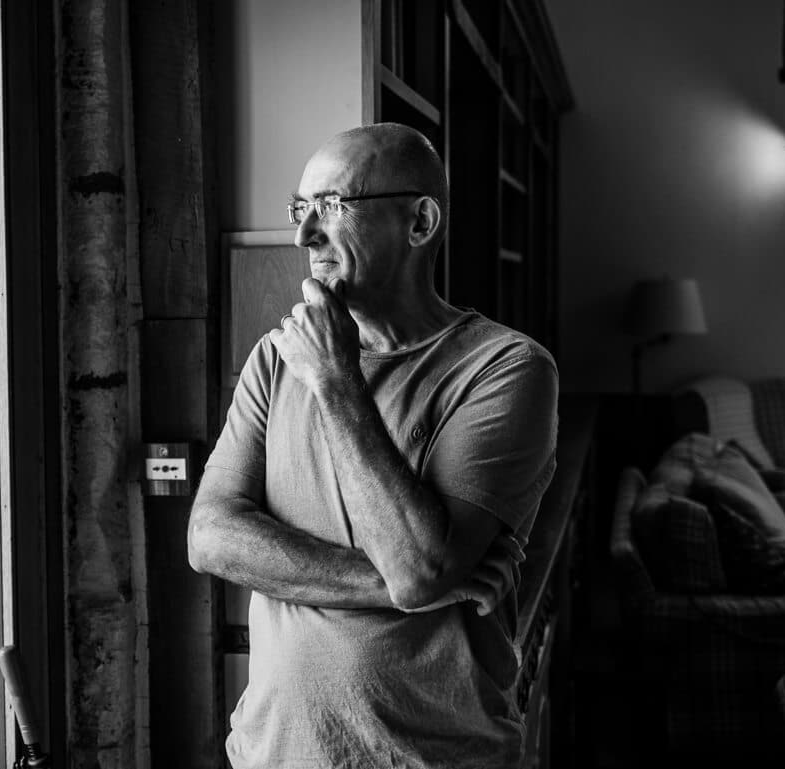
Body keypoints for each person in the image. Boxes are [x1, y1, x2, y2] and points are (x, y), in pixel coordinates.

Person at [188, 122, 559, 768]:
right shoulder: (276, 358)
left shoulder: (507, 369)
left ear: (419, 222)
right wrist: (410, 585)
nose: (304, 234)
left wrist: (337, 380)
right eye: (300, 209)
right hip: (272, 754)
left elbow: (417, 565)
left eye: (331, 206)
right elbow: (211, 535)